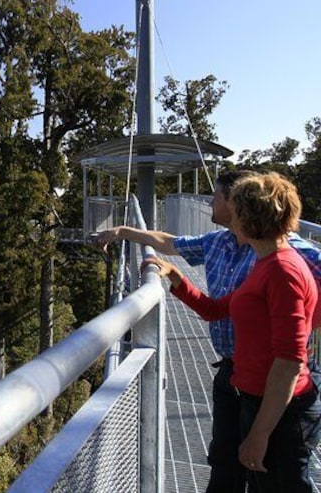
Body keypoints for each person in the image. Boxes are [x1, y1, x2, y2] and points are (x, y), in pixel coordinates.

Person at [95, 170, 321, 492]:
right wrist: (174, 276)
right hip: (250, 391)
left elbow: (289, 361)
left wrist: (258, 435)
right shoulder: (265, 265)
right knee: (239, 473)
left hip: (279, 408)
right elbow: (215, 310)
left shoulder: (284, 268)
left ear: (245, 218)